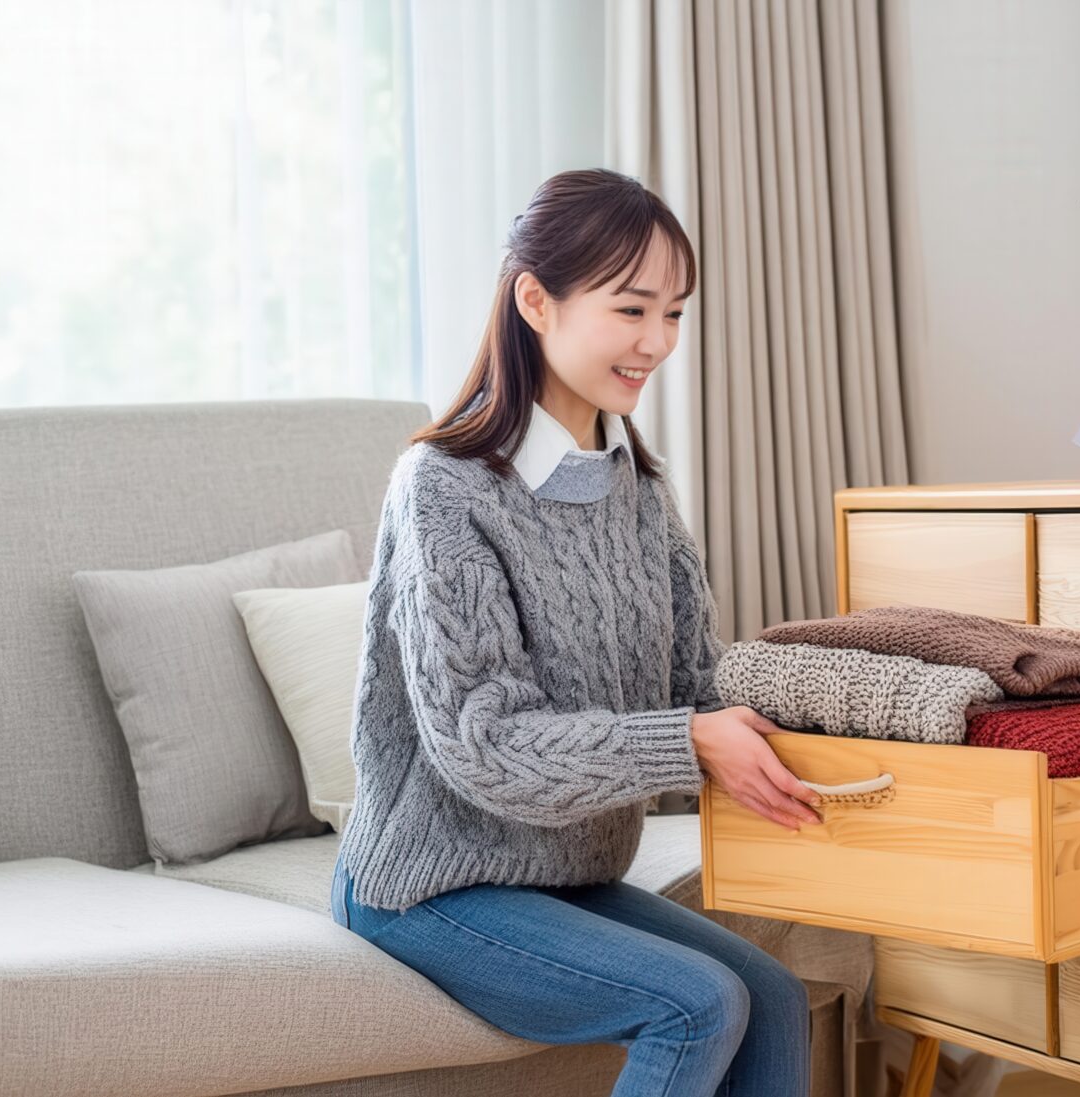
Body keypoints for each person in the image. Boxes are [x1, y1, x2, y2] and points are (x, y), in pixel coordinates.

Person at [329, 167, 828, 1097]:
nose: (658, 342)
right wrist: (684, 740)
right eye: (632, 309)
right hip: (432, 886)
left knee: (776, 995)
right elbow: (485, 744)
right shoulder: (443, 487)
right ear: (536, 300)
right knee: (699, 1002)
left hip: (566, 875)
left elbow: (696, 686)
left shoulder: (637, 490)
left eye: (675, 313)